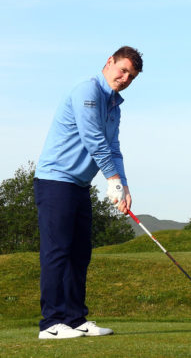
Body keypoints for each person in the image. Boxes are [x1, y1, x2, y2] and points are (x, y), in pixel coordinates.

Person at [34, 46, 143, 339]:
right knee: (57, 252)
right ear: (109, 62)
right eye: (122, 70)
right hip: (55, 180)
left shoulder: (114, 105)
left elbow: (114, 147)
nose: (124, 78)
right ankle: (51, 324)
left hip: (79, 185)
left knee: (80, 254)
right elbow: (93, 138)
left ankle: (74, 318)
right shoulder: (88, 90)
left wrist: (123, 185)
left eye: (131, 76)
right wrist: (112, 179)